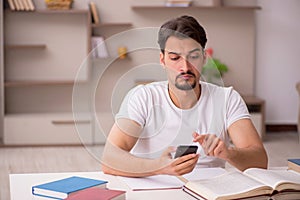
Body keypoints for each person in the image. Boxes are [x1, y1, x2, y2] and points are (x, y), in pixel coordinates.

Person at [101, 15, 268, 177]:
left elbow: (260, 160)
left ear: (204, 58)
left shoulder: (227, 99)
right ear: (162, 60)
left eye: (193, 56)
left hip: (209, 192)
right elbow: (109, 159)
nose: (185, 67)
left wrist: (229, 153)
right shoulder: (142, 97)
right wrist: (159, 167)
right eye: (175, 58)